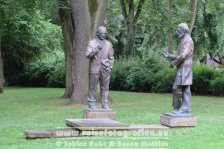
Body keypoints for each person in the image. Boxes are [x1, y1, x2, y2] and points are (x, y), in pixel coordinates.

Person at [163, 23, 194, 114]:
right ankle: (182, 108)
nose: (176, 32)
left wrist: (173, 63)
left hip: (184, 68)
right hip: (183, 68)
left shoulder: (187, 40)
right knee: (184, 89)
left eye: (178, 30)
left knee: (177, 88)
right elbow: (179, 55)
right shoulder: (184, 40)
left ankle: (181, 108)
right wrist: (169, 56)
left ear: (183, 31)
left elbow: (182, 56)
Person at [86, 26, 114, 110]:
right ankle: (91, 104)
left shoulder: (108, 44)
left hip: (105, 69)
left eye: (105, 33)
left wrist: (110, 66)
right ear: (97, 33)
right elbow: (87, 55)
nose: (103, 35)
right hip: (94, 67)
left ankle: (105, 104)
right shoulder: (92, 43)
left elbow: (111, 57)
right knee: (92, 86)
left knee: (105, 87)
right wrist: (96, 49)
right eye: (101, 33)